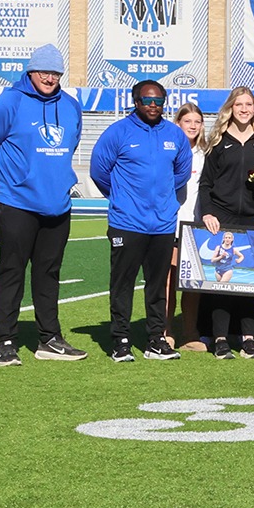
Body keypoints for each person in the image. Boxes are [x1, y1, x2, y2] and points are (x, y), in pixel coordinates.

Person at [0, 43, 85, 364]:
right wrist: (15, 174)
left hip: (58, 204)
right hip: (17, 202)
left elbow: (70, 142)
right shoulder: (9, 102)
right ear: (31, 71)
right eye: (45, 72)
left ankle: (49, 339)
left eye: (56, 73)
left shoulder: (71, 106)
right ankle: (6, 340)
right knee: (11, 270)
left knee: (48, 273)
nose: (50, 78)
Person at [89, 80, 190, 362]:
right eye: (148, 100)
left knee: (157, 285)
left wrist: (163, 200)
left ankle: (156, 339)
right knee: (122, 284)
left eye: (159, 100)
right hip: (127, 223)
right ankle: (120, 340)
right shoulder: (118, 132)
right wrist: (122, 197)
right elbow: (99, 171)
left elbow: (181, 174)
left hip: (162, 224)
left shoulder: (174, 135)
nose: (154, 105)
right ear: (136, 102)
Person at [196, 87, 254, 359]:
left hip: (251, 218)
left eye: (249, 104)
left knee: (248, 282)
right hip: (223, 218)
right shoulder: (218, 141)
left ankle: (249, 339)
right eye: (239, 104)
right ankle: (220, 339)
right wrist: (208, 212)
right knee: (221, 282)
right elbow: (206, 185)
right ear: (231, 107)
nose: (244, 109)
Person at [170, 101, 208, 350]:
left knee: (193, 284)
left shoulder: (206, 154)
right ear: (178, 124)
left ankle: (190, 333)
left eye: (197, 122)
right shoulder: (168, 150)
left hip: (196, 226)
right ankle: (165, 330)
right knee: (168, 281)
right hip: (170, 224)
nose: (192, 126)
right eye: (187, 121)